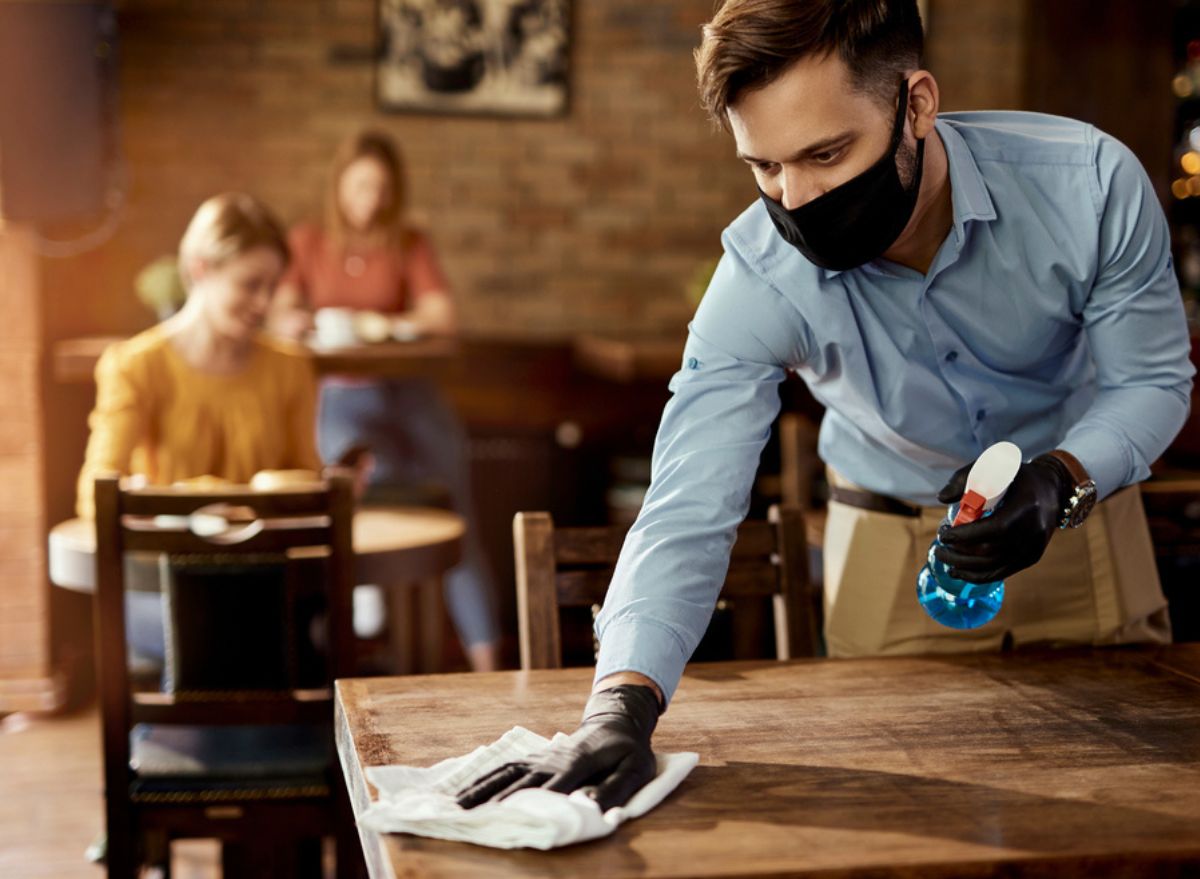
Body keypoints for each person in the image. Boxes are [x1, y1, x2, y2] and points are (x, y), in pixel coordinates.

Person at [456, 0, 1196, 811]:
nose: (797, 199)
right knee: (888, 829)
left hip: (1081, 537)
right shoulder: (762, 277)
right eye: (765, 167)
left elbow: (1151, 383)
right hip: (886, 557)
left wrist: (1063, 476)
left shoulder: (1089, 186)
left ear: (916, 104)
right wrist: (620, 705)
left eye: (828, 153)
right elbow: (687, 505)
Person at [270, 130, 501, 672]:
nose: (370, 199)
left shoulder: (408, 242)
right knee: (343, 518)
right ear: (339, 185)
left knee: (458, 516)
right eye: (360, 186)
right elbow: (278, 315)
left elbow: (442, 317)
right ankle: (353, 664)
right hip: (343, 400)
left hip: (411, 396)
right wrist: (299, 319)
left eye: (381, 188)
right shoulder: (307, 242)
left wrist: (384, 324)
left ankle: (492, 666)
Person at [76, 192, 320, 658]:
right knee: (224, 632)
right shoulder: (134, 366)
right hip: (167, 585)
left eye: (272, 286)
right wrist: (150, 500)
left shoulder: (291, 368)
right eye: (251, 284)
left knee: (249, 627)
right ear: (202, 268)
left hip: (265, 581)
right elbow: (95, 491)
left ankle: (175, 733)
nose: (264, 302)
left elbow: (305, 477)